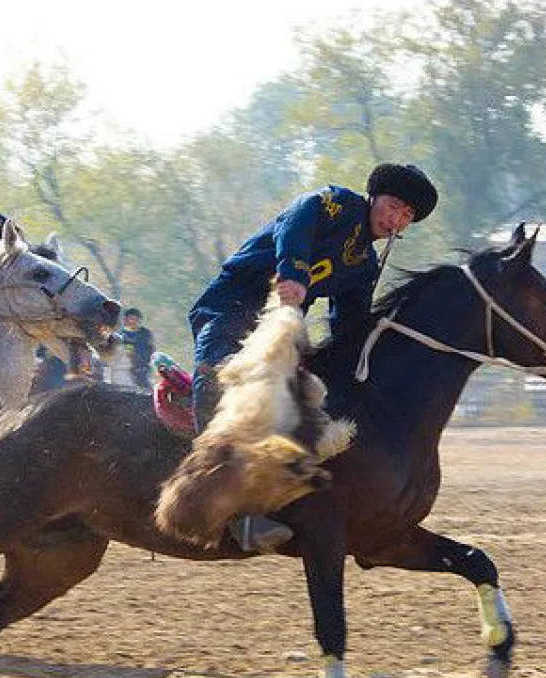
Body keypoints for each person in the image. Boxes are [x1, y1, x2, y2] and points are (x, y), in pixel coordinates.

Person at [187, 162, 438, 551]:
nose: (397, 219)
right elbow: (297, 217)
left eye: (406, 216)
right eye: (393, 206)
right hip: (230, 306)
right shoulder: (336, 204)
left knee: (301, 403)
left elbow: (348, 325)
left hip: (277, 328)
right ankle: (218, 500)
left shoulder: (366, 267)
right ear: (374, 197)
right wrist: (293, 273)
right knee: (219, 380)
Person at [117, 307, 156, 388]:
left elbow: (150, 350)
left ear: (139, 320)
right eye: (130, 319)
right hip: (122, 367)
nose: (132, 321)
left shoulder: (145, 333)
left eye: (135, 319)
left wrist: (140, 359)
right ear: (125, 319)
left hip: (141, 367)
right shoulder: (120, 333)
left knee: (144, 387)